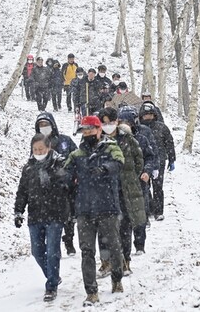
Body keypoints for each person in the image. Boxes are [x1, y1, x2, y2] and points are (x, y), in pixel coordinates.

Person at [64, 116, 125, 306]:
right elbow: (65, 172)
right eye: (85, 130)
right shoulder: (77, 154)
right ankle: (91, 291)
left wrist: (105, 168)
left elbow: (119, 162)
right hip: (84, 210)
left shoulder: (110, 147)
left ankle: (117, 279)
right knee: (87, 251)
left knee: (114, 247)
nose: (88, 133)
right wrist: (62, 177)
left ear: (99, 130)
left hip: (107, 207)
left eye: (91, 129)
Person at [14, 134, 69, 302]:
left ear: (49, 148)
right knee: (37, 252)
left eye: (41, 149)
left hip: (55, 214)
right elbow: (22, 191)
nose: (38, 152)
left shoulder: (59, 164)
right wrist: (18, 211)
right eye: (35, 149)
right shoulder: (29, 168)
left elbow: (66, 187)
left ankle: (51, 286)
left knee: (52, 251)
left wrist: (53, 180)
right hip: (35, 215)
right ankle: (53, 275)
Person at [98, 107, 147, 276]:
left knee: (125, 227)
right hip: (105, 191)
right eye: (104, 123)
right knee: (104, 229)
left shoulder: (127, 139)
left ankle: (125, 261)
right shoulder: (98, 142)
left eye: (110, 122)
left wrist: (130, 176)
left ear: (117, 121)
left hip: (124, 189)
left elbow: (139, 160)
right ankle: (106, 262)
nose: (108, 126)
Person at [35, 112, 78, 255]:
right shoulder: (37, 145)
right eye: (41, 125)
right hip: (48, 188)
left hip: (68, 185)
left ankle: (69, 241)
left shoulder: (65, 141)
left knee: (70, 215)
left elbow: (76, 158)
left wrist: (71, 176)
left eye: (46, 125)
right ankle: (54, 245)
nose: (44, 128)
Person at [117, 105, 157, 254]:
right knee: (124, 218)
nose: (124, 125)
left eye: (127, 122)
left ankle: (140, 244)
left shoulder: (142, 138)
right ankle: (124, 246)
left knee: (140, 214)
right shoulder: (115, 139)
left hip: (139, 182)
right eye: (121, 122)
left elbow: (150, 156)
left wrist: (147, 171)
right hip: (122, 184)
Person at [140, 101, 176, 221]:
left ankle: (158, 211)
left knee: (158, 186)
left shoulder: (161, 127)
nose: (148, 117)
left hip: (159, 160)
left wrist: (171, 159)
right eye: (146, 115)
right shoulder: (139, 128)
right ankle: (148, 208)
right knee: (144, 186)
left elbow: (169, 143)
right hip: (143, 161)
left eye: (150, 114)